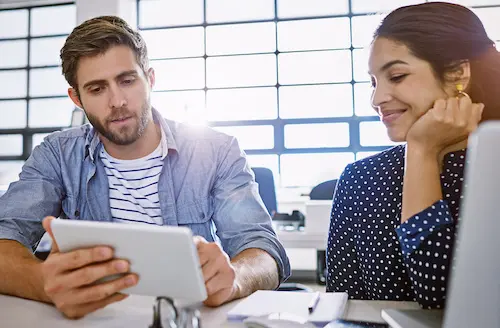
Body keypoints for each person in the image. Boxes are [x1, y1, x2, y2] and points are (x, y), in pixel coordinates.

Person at [0, 16, 290, 319]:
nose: (117, 101)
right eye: (97, 89)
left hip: (190, 318)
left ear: (149, 79)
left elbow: (263, 251)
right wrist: (41, 282)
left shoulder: (216, 150)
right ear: (77, 98)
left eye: (127, 80)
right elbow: (4, 236)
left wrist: (236, 278)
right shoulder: (57, 155)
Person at [326, 2, 500, 309]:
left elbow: (441, 298)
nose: (377, 99)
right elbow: (344, 307)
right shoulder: (360, 179)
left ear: (458, 73)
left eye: (396, 76)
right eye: (373, 82)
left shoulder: (492, 167)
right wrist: (421, 150)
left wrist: (421, 151)